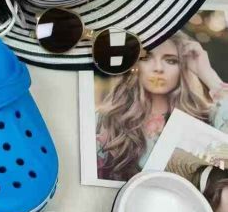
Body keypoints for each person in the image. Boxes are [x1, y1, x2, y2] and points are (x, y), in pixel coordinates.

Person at [96, 31, 228, 181]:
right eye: (146, 58)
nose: (158, 68)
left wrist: (209, 76)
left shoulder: (207, 118)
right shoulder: (107, 119)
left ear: (182, 67)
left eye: (171, 61)